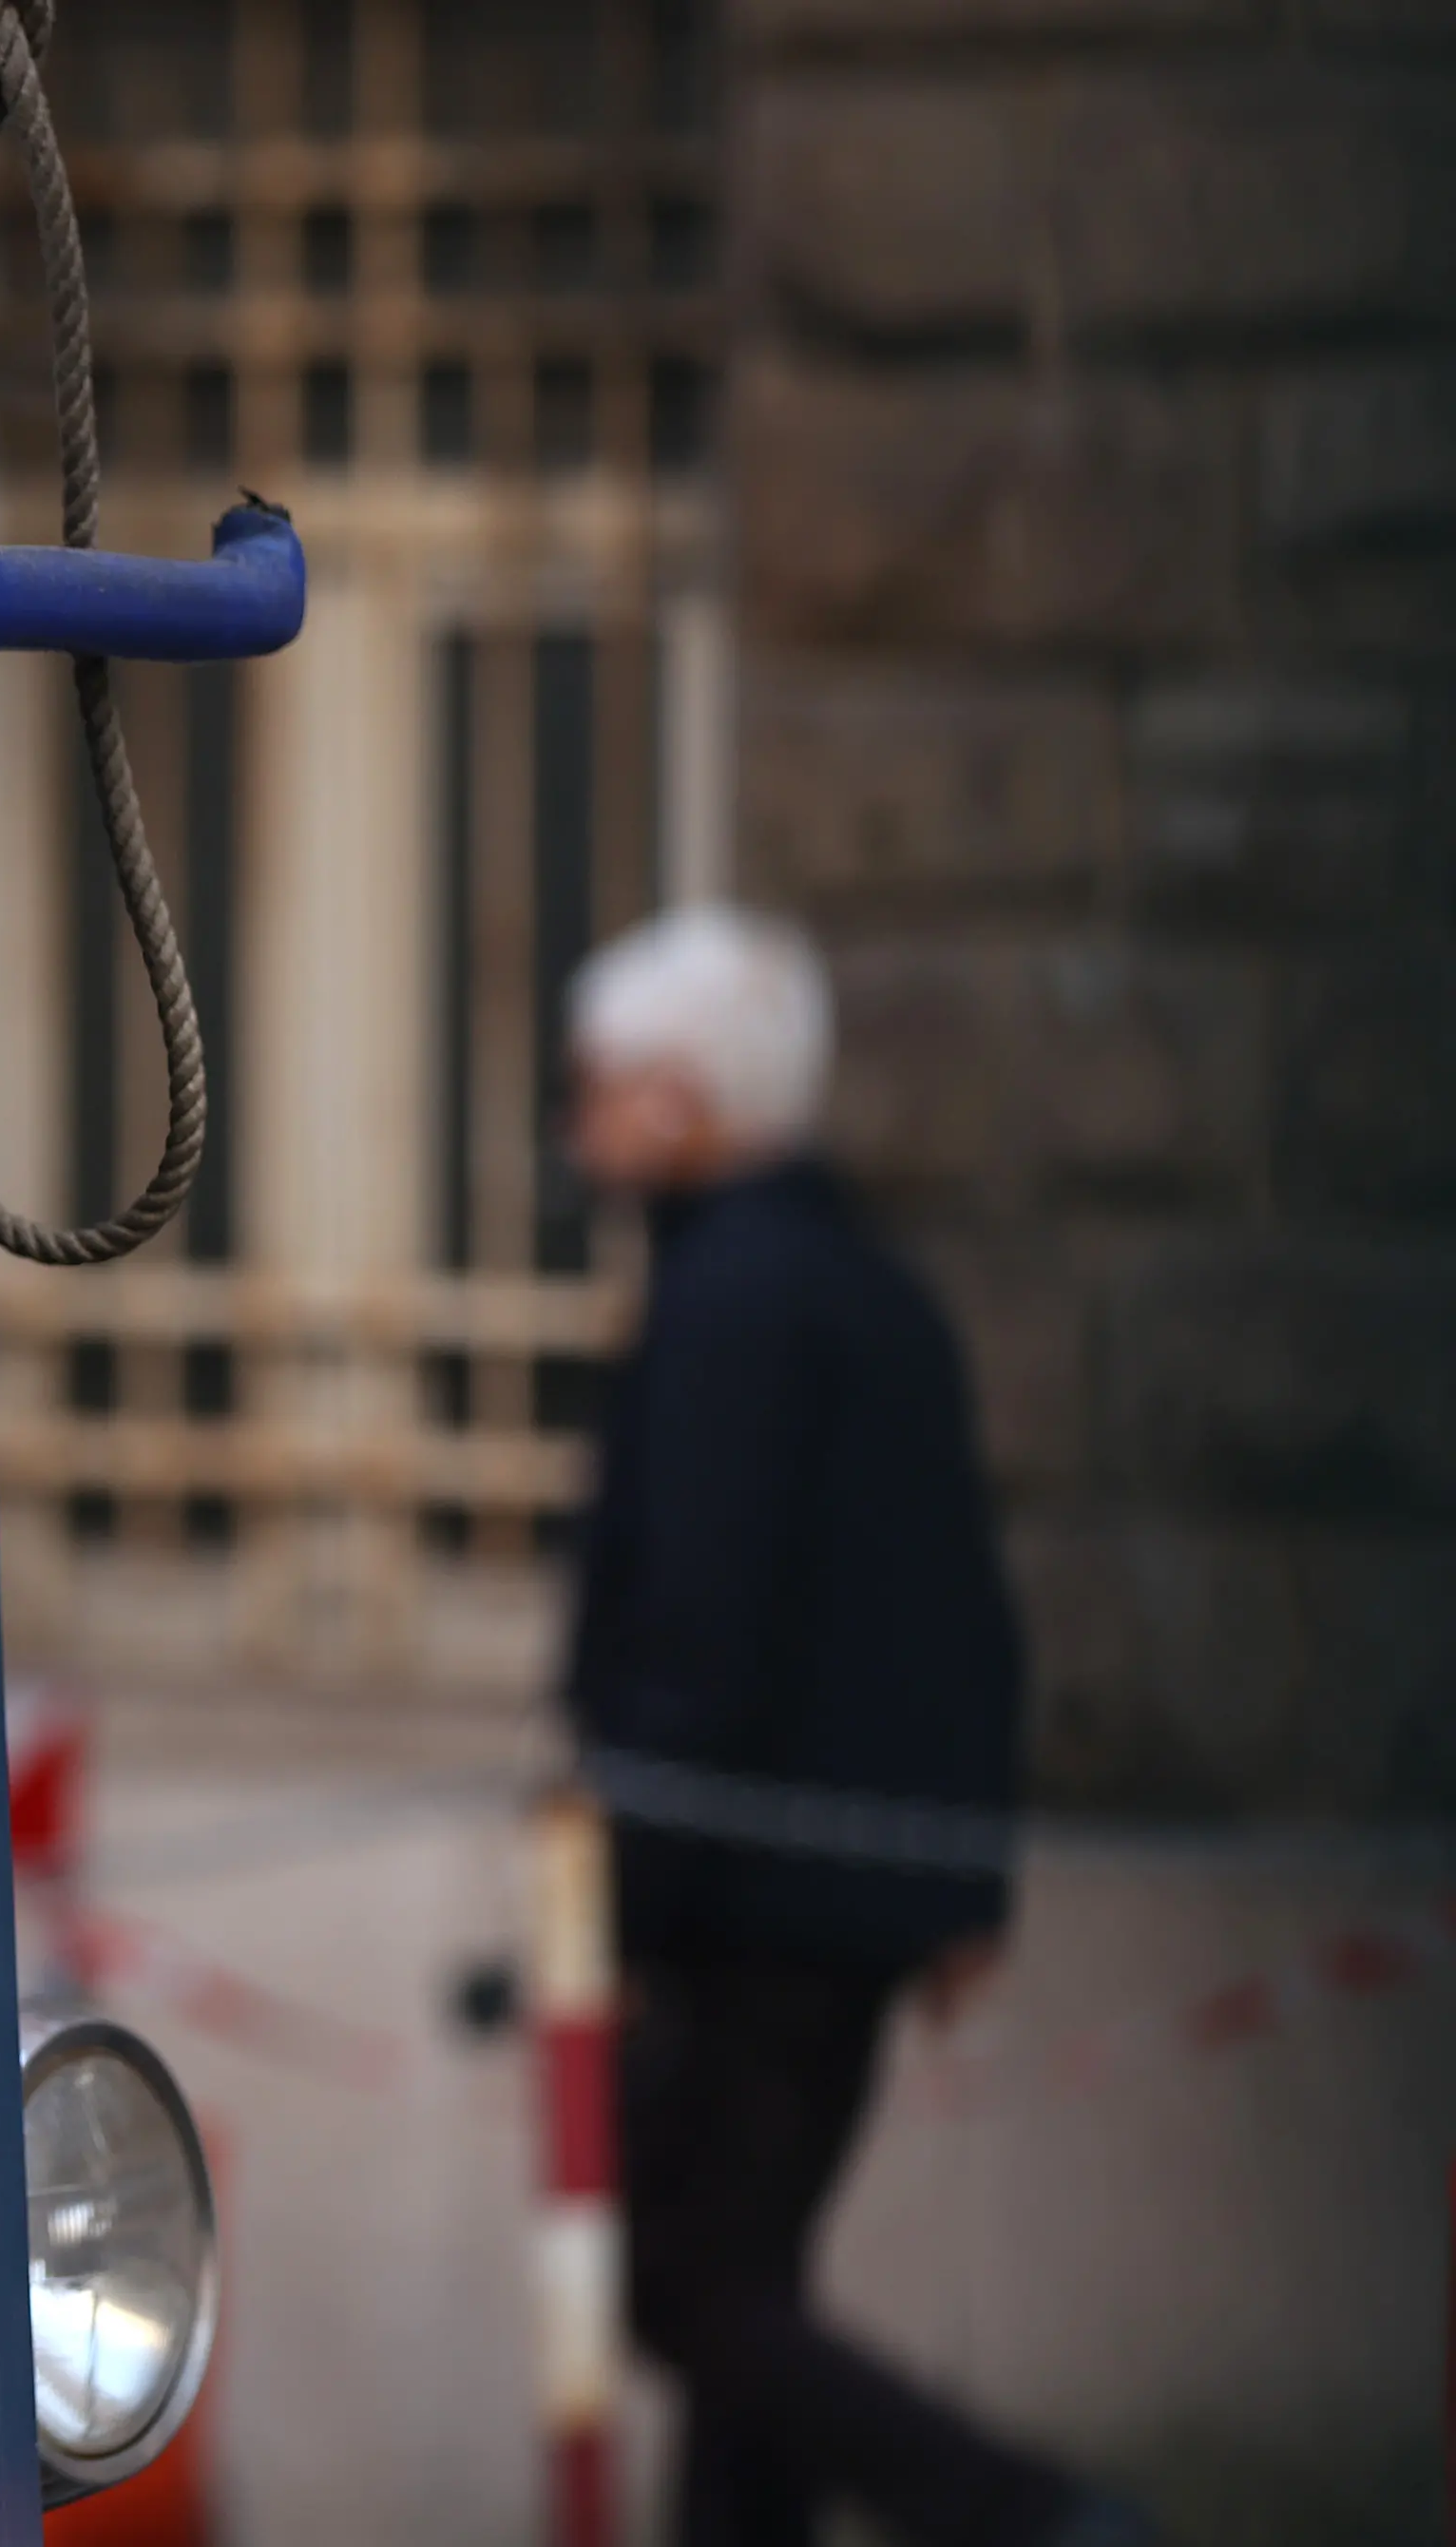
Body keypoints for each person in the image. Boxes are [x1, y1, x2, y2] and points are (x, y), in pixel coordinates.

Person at [558, 907, 1146, 2547]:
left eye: (597, 1083)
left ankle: (1030, 2516)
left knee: (688, 2285)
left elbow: (701, 1630)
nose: (579, 1122)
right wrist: (964, 1887)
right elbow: (971, 1613)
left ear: (678, 1098)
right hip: (841, 1890)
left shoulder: (738, 1302)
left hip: (757, 1904)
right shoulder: (861, 1288)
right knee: (746, 2286)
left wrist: (619, 1894)